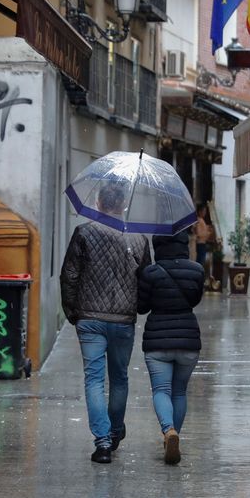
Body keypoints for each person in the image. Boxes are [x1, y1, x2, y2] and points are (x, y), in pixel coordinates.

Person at [60, 184, 151, 464]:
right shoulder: (139, 239)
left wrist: (72, 311)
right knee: (120, 378)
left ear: (98, 202)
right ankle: (113, 432)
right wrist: (139, 307)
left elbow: (69, 275)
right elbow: (145, 280)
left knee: (94, 379)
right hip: (123, 320)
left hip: (89, 319)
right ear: (123, 204)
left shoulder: (84, 233)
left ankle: (102, 442)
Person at [136, 230, 204, 464]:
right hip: (188, 340)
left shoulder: (150, 273)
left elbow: (141, 307)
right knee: (180, 391)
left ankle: (168, 431)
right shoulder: (196, 271)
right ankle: (173, 436)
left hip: (157, 341)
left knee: (161, 390)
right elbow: (194, 300)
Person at [193, 204, 213, 269]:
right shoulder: (199, 220)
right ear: (199, 211)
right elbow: (199, 233)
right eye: (203, 211)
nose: (205, 213)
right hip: (200, 243)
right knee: (200, 262)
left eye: (205, 211)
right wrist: (208, 233)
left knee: (201, 261)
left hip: (202, 243)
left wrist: (207, 228)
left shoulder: (201, 220)